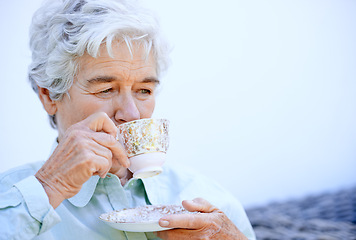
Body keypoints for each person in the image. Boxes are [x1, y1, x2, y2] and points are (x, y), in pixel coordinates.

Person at [0, 0, 256, 239]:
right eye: (106, 89)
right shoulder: (9, 197)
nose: (132, 114)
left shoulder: (209, 199)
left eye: (144, 90)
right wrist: (49, 186)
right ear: (48, 96)